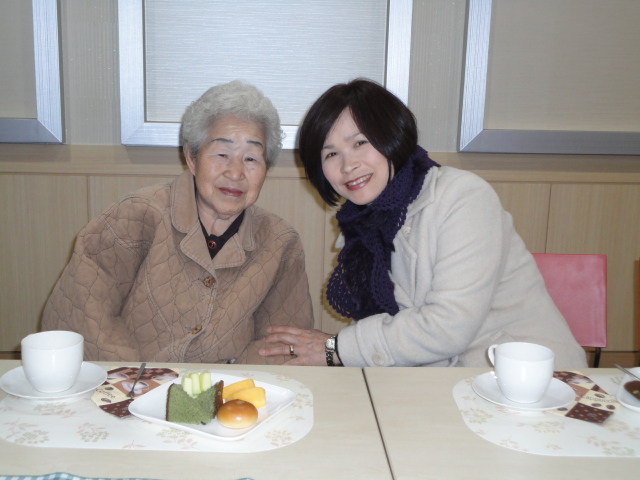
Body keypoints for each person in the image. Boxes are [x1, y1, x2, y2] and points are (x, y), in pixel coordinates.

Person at [259, 78, 587, 368]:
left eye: (360, 143)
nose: (348, 165)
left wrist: (337, 349)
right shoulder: (362, 228)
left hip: (524, 379)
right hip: (442, 383)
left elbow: (448, 327)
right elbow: (390, 331)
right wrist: (337, 349)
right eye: (331, 154)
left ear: (392, 135)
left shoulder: (462, 196)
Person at [42, 80, 313, 364]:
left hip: (228, 388)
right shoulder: (134, 217)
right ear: (192, 158)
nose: (235, 173)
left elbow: (283, 346)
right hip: (132, 384)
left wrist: (226, 386)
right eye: (222, 154)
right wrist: (141, 380)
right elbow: (82, 317)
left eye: (251, 159)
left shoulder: (280, 243)